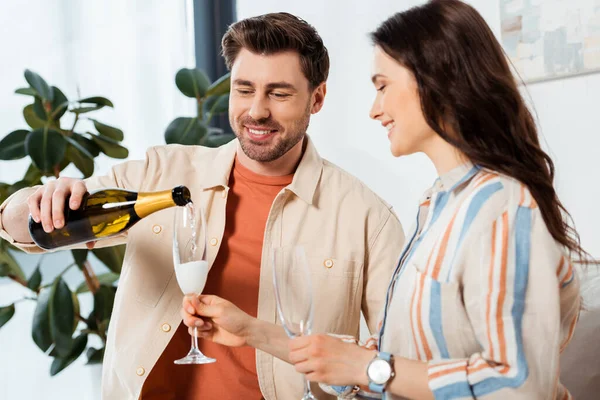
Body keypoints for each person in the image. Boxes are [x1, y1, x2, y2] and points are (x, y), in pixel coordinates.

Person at [185, 1, 586, 399]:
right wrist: (254, 332)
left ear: (435, 83)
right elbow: (402, 362)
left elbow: (517, 385)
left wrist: (367, 367)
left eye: (382, 86)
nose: (374, 110)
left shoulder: (498, 206)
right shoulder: (438, 205)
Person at [0, 12, 404, 400]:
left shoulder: (368, 219)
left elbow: (396, 364)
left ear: (317, 99)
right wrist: (39, 199)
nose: (257, 110)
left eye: (278, 93)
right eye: (244, 89)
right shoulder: (160, 173)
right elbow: (20, 229)